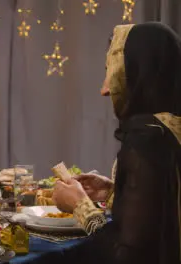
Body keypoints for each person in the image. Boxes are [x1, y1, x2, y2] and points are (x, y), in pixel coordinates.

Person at [45, 22, 181, 264]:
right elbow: (165, 209)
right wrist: (114, 193)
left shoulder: (147, 140)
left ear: (140, 72)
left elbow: (127, 256)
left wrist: (81, 208)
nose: (105, 90)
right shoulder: (170, 129)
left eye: (113, 71)